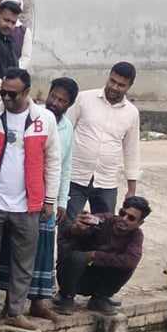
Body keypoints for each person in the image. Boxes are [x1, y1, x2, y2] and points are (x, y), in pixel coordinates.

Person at [0, 68, 60, 328]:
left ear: (26, 92)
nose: (6, 98)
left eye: (12, 94)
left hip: (29, 203)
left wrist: (50, 199)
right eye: (3, 92)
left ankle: (14, 311)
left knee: (24, 262)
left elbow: (53, 161)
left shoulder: (44, 119)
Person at [59, 61, 142, 225]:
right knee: (68, 229)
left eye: (121, 85)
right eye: (112, 81)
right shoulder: (83, 98)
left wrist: (131, 189)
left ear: (129, 86)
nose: (115, 87)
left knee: (103, 231)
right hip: (75, 177)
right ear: (108, 77)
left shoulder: (132, 113)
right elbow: (64, 133)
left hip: (107, 182)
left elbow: (131, 151)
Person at [29, 76, 80, 322]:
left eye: (62, 101)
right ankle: (13, 304)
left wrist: (61, 200)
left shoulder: (68, 127)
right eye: (53, 96)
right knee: (23, 249)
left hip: (51, 198)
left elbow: (65, 164)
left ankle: (39, 302)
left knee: (45, 250)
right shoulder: (34, 116)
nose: (55, 102)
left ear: (69, 105)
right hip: (28, 194)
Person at [61, 196, 150, 314]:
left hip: (101, 277)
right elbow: (67, 234)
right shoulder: (103, 220)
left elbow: (130, 261)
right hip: (75, 275)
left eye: (131, 218)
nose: (124, 219)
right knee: (77, 257)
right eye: (122, 213)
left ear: (140, 223)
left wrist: (94, 255)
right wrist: (76, 228)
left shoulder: (136, 235)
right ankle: (67, 297)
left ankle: (99, 298)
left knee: (128, 265)